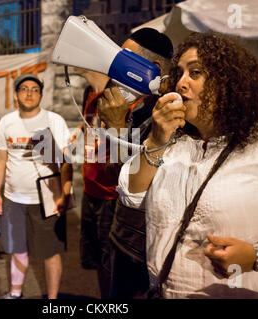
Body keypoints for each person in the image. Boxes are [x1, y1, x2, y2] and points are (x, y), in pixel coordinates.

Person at [104, 32, 258, 298]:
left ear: (228, 82)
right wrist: (155, 139)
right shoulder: (175, 139)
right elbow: (131, 195)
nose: (180, 83)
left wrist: (255, 254)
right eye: (178, 73)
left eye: (195, 73)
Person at [78, 28, 173, 298]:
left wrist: (118, 127)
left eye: (125, 58)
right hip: (123, 229)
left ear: (153, 68)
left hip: (141, 240)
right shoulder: (141, 107)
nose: (116, 65)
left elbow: (129, 177)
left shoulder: (166, 113)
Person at [0, 73, 72, 299]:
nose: (29, 93)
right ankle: (16, 293)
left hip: (47, 200)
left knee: (50, 251)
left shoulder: (54, 121)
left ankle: (53, 299)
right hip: (12, 199)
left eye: (34, 89)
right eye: (24, 89)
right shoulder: (7, 122)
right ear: (16, 95)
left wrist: (63, 194)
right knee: (17, 247)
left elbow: (67, 161)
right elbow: (0, 159)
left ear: (41, 95)